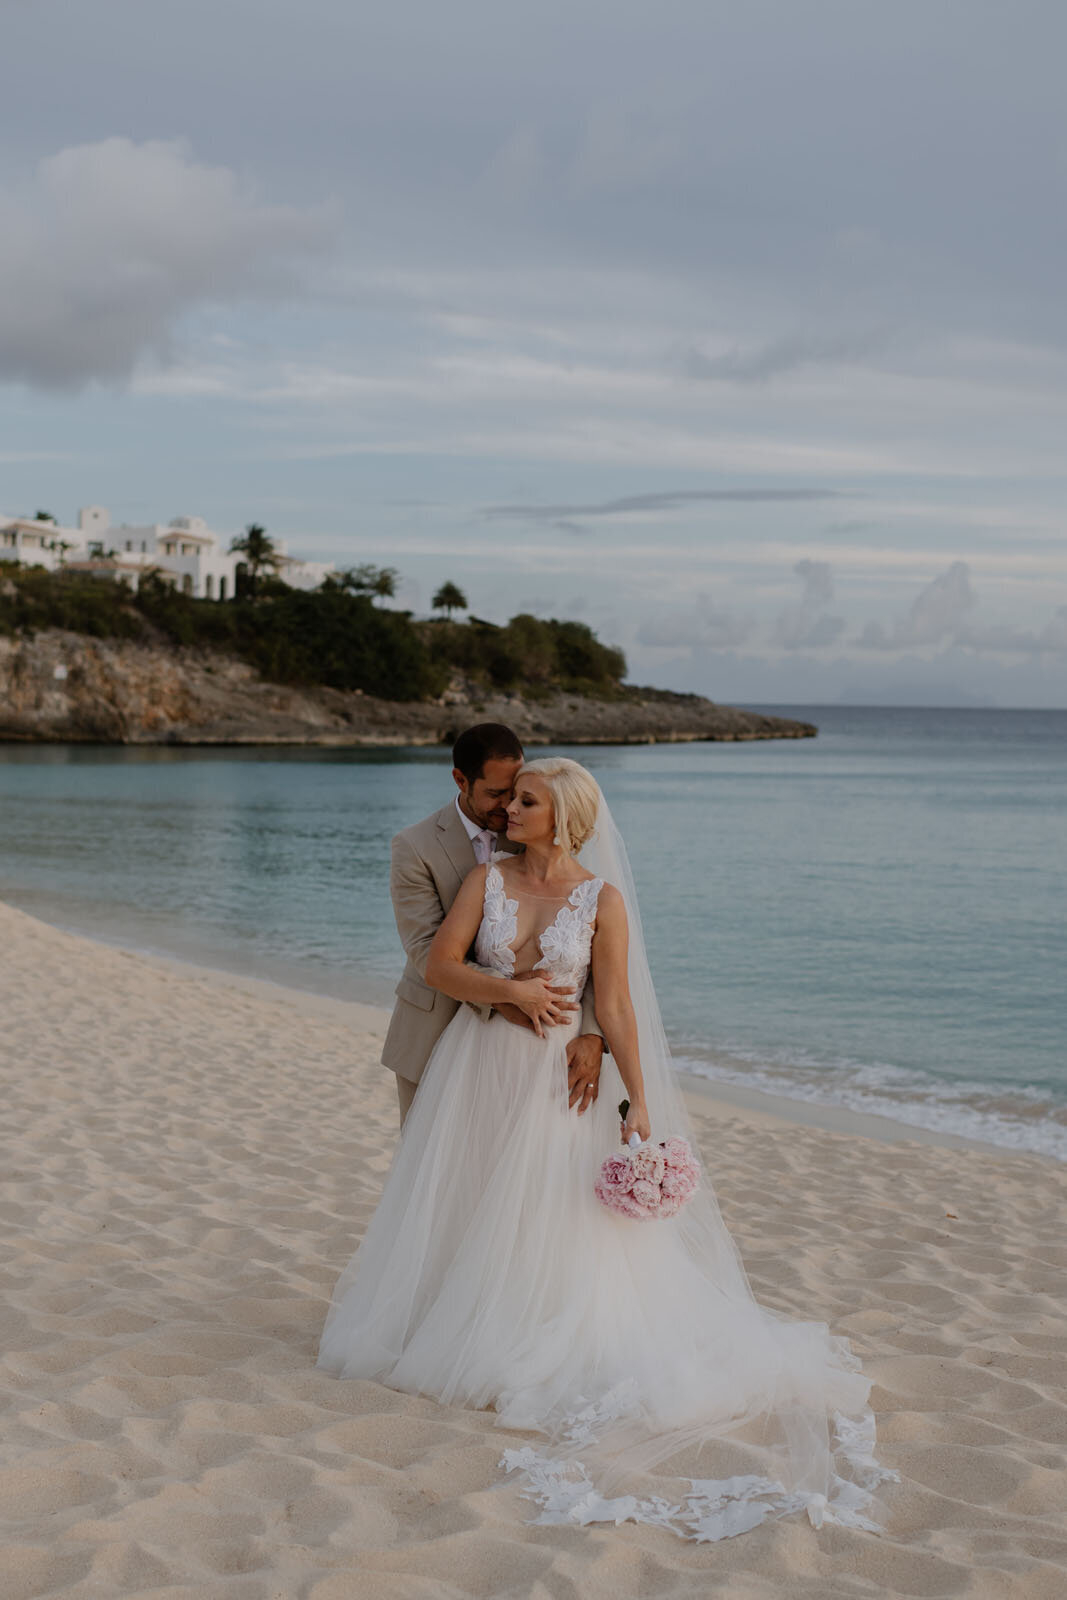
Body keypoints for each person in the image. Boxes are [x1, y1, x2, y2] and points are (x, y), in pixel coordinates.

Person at [319, 758, 892, 1540]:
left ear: (565, 819)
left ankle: (519, 1329)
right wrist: (512, 991)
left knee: (546, 1207)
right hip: (477, 1065)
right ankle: (447, 1318)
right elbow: (440, 965)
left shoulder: (600, 899)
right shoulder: (484, 881)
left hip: (559, 1078)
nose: (509, 811)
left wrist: (639, 1102)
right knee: (470, 1189)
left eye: (527, 802)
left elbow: (614, 1001)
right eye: (511, 797)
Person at [381, 723, 605, 1127]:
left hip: (528, 1044)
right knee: (431, 1179)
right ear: (461, 780)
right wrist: (511, 994)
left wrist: (592, 1032)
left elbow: (587, 944)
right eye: (496, 794)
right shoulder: (414, 847)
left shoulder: (532, 831)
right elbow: (424, 949)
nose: (508, 805)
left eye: (516, 790)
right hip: (432, 1030)